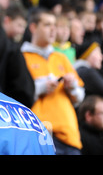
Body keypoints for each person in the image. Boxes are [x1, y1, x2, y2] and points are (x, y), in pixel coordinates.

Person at [21, 8, 85, 155]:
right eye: (47, 25)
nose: (53, 30)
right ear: (33, 27)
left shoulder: (61, 57)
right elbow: (17, 94)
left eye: (54, 25)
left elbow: (80, 97)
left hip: (69, 134)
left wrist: (72, 87)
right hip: (39, 133)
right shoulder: (21, 57)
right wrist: (41, 87)